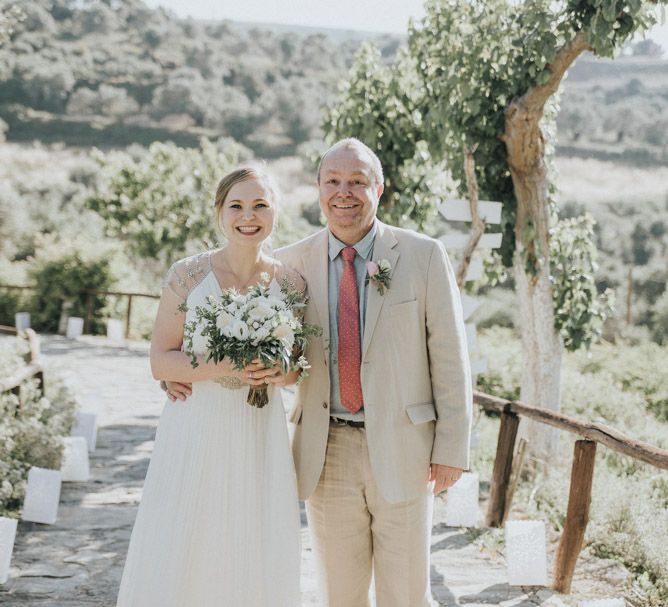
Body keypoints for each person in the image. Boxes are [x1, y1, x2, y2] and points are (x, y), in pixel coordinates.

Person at [167, 138, 472, 606]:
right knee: (340, 594)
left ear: (379, 188)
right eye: (333, 181)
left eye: (357, 181)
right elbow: (247, 340)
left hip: (406, 448)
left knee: (407, 593)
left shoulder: (423, 255)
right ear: (318, 188)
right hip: (325, 449)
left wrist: (451, 447)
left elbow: (450, 357)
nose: (343, 192)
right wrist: (181, 372)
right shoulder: (289, 265)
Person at [116, 166, 303, 607]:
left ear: (275, 212)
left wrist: (277, 371)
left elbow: (296, 369)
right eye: (236, 205)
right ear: (220, 213)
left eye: (260, 205)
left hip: (259, 429)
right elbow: (161, 361)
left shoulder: (291, 282)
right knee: (190, 533)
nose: (248, 215)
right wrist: (226, 360)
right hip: (195, 424)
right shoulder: (187, 275)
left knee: (252, 534)